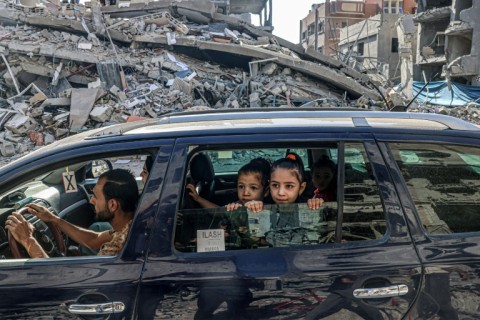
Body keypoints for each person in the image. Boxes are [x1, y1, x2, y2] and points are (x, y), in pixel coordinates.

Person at [5, 169, 139, 258]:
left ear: (112, 205)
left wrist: (28, 240)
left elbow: (58, 279)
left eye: (96, 196)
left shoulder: (116, 249)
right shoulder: (130, 226)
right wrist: (53, 219)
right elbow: (94, 239)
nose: (91, 201)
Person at [244, 154, 324, 212]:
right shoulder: (264, 206)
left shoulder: (306, 205)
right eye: (275, 185)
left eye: (289, 186)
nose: (281, 193)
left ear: (301, 188)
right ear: (269, 186)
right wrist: (253, 207)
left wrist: (316, 204)